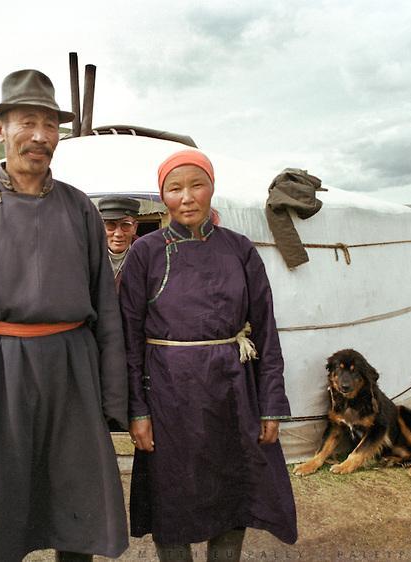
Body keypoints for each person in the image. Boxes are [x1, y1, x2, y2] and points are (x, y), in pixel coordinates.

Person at [0, 69, 129, 562]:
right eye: (27, 122)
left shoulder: (80, 208)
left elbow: (105, 308)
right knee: (0, 517)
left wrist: (110, 395)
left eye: (50, 125)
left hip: (72, 372)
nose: (40, 136)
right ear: (1, 129)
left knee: (77, 511)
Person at [120, 149, 297, 561]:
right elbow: (128, 340)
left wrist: (271, 404)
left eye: (196, 185)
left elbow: (266, 331)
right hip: (168, 396)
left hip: (233, 394)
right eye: (174, 188)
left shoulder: (240, 249)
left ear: (212, 188)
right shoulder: (145, 252)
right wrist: (137, 411)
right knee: (171, 497)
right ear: (162, 195)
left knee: (235, 491)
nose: (186, 197)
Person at [98, 195, 141, 290]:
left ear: (135, 228)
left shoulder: (145, 256)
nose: (118, 234)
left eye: (125, 225)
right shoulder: (88, 255)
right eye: (110, 225)